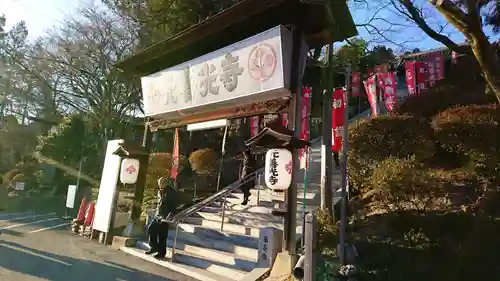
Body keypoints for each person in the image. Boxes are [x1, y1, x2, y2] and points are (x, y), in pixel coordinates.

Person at [146, 175, 179, 259]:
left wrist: (170, 215)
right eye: (159, 183)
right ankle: (154, 247)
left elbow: (173, 205)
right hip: (158, 215)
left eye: (161, 183)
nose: (160, 184)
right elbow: (159, 203)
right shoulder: (160, 191)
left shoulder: (170, 192)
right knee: (152, 229)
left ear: (165, 183)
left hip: (165, 216)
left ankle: (161, 252)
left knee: (162, 235)